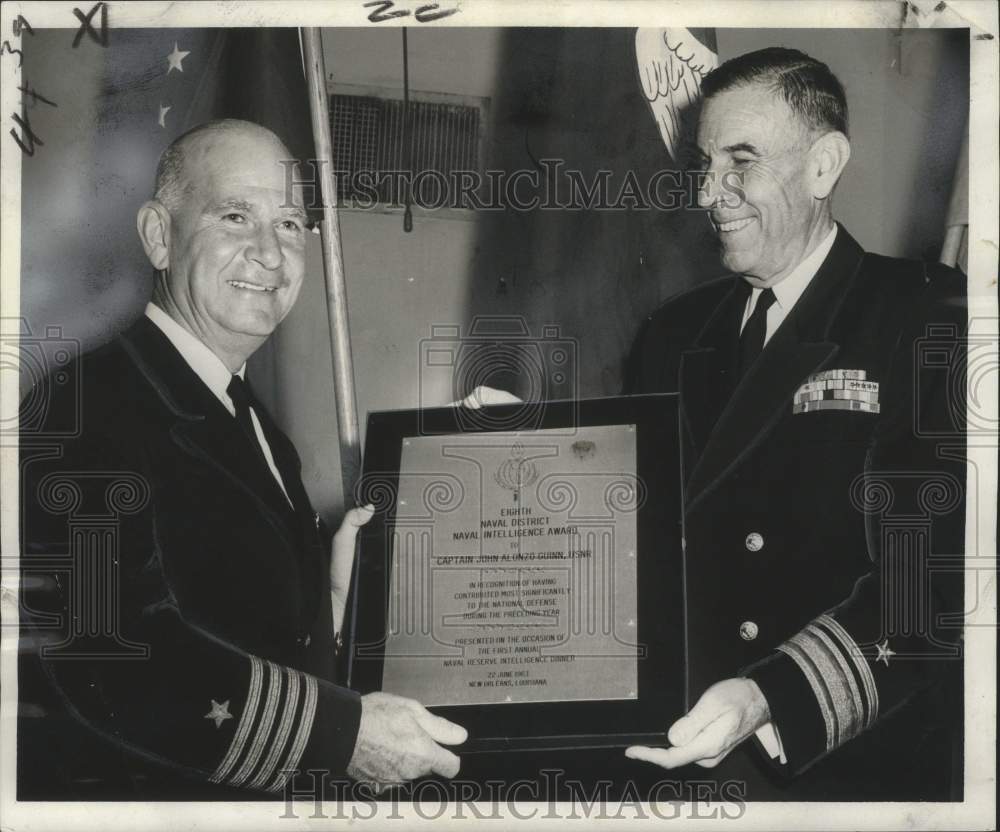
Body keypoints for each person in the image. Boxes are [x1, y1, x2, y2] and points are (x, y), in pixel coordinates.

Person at [18, 119, 467, 799]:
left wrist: (337, 599)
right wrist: (339, 735)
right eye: (235, 216)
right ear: (159, 237)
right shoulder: (83, 405)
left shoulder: (253, 423)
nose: (270, 254)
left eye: (290, 224)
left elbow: (243, 625)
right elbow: (105, 654)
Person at [621, 48, 967, 800]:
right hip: (685, 754)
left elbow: (929, 586)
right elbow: (633, 537)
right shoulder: (671, 336)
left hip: (836, 760)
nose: (711, 192)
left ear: (823, 166)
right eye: (704, 163)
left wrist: (769, 696)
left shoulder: (924, 318)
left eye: (741, 162)